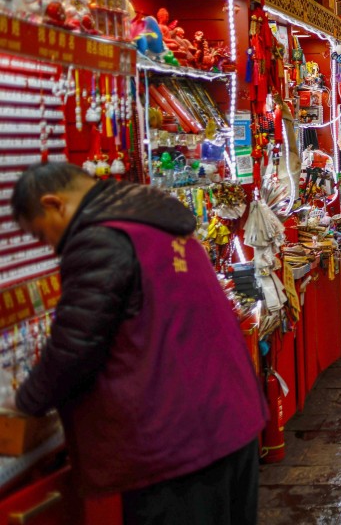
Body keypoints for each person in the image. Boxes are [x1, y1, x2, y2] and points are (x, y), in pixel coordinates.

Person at [8, 163, 266, 524]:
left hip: (178, 445)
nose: (50, 246)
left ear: (54, 204)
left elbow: (75, 346)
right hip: (229, 421)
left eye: (41, 233)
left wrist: (23, 405)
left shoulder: (100, 240)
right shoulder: (155, 224)